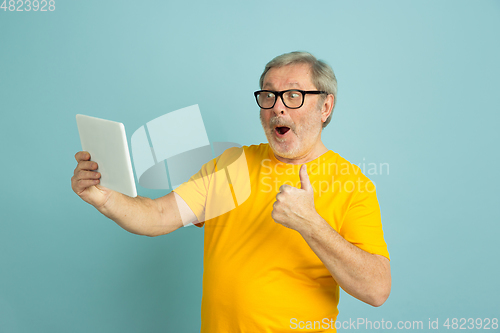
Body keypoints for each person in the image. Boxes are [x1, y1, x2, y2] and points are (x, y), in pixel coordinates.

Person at [72, 51, 391, 332]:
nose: (277, 108)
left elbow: (376, 290)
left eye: (293, 96)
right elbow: (157, 216)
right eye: (269, 96)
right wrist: (106, 199)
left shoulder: (352, 184)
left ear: (325, 106)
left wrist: (311, 224)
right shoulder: (233, 164)